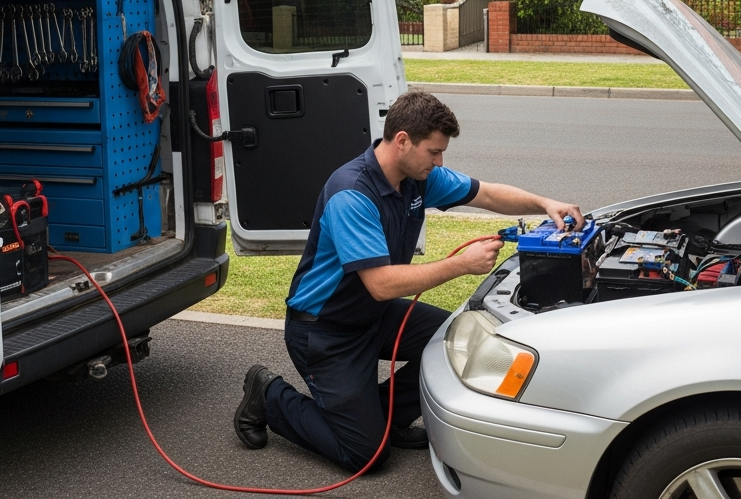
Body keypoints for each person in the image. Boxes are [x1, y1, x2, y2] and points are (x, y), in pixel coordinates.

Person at [233, 90, 582, 471]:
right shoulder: (352, 194)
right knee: (364, 455)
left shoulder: (417, 178)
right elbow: (381, 284)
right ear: (402, 141)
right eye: (434, 152)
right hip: (325, 332)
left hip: (373, 315)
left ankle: (385, 419)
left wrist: (546, 204)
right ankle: (268, 396)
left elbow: (487, 194)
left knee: (456, 337)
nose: (440, 161)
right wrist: (462, 264)